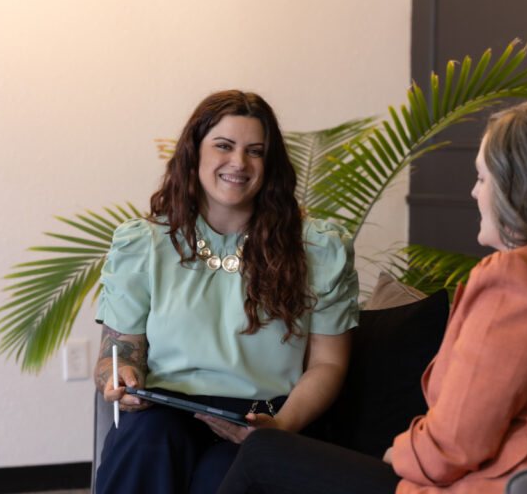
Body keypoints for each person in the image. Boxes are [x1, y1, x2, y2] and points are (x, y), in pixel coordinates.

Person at [216, 99, 527, 494]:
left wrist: (396, 453)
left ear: (520, 187)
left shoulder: (519, 277)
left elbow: (454, 445)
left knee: (262, 451)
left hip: (495, 486)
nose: (474, 192)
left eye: (482, 178)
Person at [92, 90, 359, 494]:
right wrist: (119, 376)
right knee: (147, 439)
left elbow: (328, 364)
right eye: (224, 146)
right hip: (164, 411)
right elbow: (119, 351)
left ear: (270, 163)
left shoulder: (318, 248)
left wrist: (279, 427)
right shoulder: (143, 243)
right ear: (194, 153)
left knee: (222, 477)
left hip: (264, 418)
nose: (239, 162)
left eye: (255, 151)